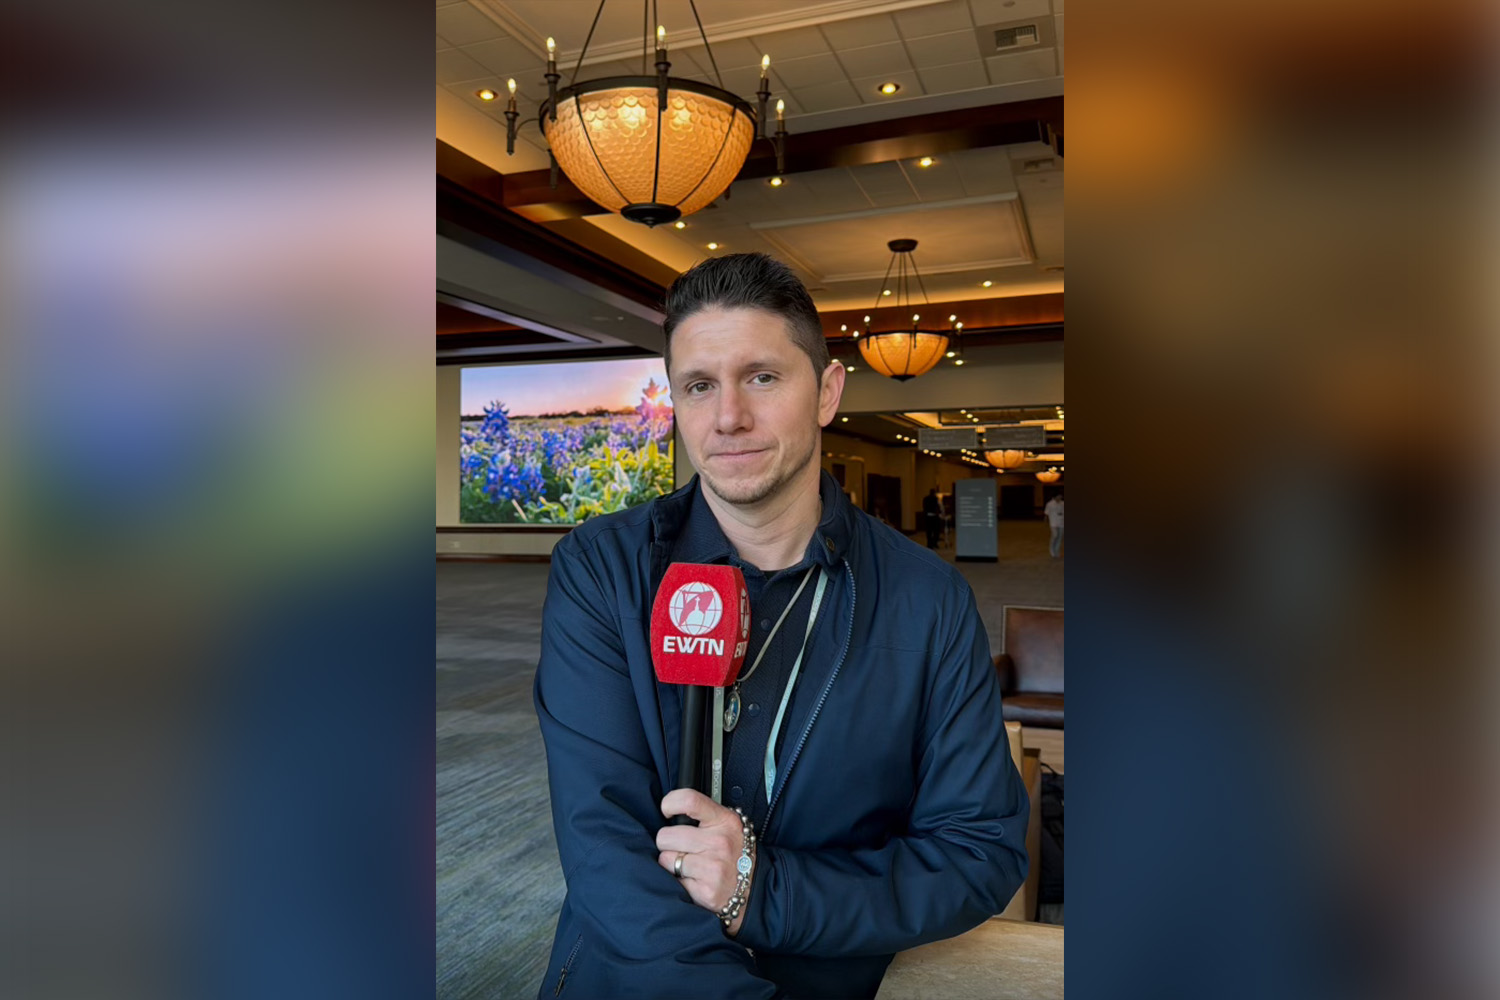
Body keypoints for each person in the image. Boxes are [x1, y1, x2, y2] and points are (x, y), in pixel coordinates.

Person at [533, 253, 1029, 1000]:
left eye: (762, 377)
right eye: (699, 386)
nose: (728, 416)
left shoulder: (928, 601)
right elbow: (605, 847)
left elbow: (977, 853)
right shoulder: (603, 569)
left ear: (827, 391)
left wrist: (764, 889)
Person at [1044, 490, 1064, 558]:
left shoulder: (1063, 503)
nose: (1060, 497)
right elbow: (1046, 513)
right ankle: (1051, 549)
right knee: (1055, 535)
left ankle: (1057, 551)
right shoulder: (1049, 504)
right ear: (1055, 496)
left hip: (1061, 522)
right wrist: (1045, 520)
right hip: (1053, 522)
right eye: (1058, 496)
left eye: (1061, 496)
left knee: (1060, 537)